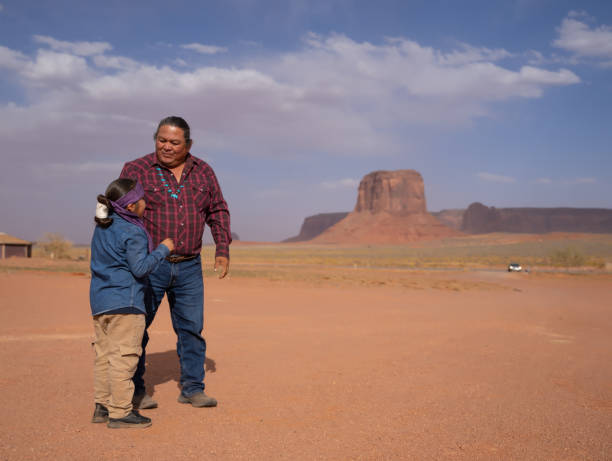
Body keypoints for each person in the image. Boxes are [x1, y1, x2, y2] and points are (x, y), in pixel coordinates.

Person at [120, 116, 231, 409]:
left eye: (174, 142)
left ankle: (193, 388)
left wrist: (222, 247)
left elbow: (217, 210)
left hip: (190, 265)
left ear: (188, 145)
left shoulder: (204, 171)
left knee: (191, 328)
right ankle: (135, 390)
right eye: (161, 140)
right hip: (150, 265)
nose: (166, 147)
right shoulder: (136, 169)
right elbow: (121, 214)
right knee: (137, 328)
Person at [90, 178, 174, 428]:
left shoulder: (103, 226)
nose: (146, 203)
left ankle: (102, 407)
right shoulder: (133, 231)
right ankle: (120, 413)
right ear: (130, 206)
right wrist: (163, 249)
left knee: (104, 356)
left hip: (100, 302)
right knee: (124, 358)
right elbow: (139, 269)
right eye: (142, 199)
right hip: (126, 302)